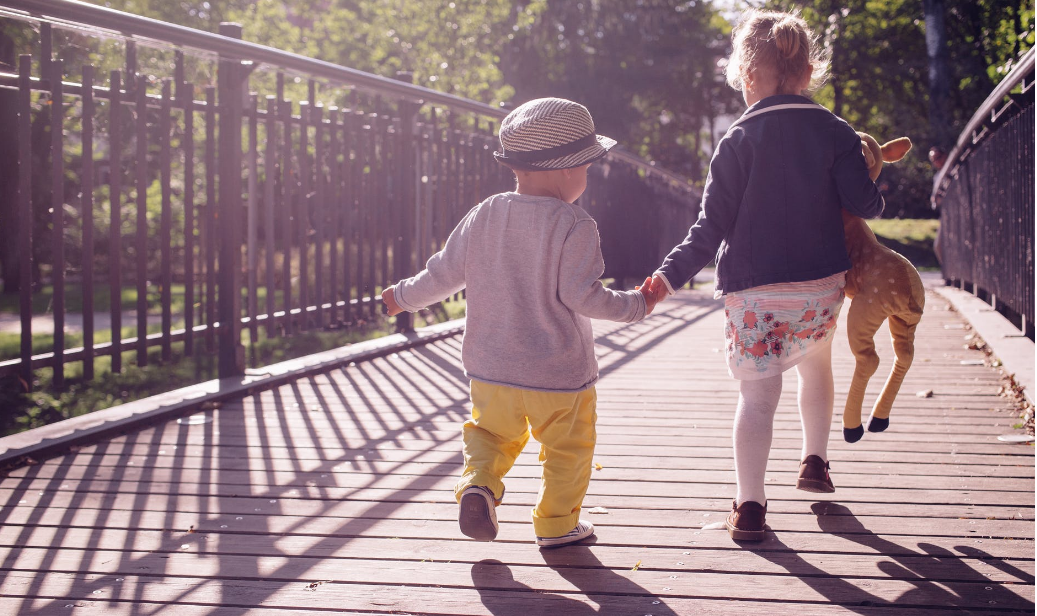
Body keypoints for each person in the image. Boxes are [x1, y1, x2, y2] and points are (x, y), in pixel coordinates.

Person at [645, 9, 884, 541]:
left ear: (750, 75)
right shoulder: (835, 131)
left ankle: (750, 506)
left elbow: (709, 229)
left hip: (754, 293)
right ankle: (815, 462)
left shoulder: (737, 140)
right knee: (815, 362)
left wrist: (666, 278)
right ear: (807, 71)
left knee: (757, 397)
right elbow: (866, 203)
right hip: (819, 286)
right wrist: (870, 168)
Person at [381, 97, 658, 548]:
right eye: (587, 167)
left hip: (491, 369)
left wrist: (401, 296)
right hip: (560, 376)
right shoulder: (575, 224)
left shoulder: (485, 213)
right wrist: (637, 305)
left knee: (489, 435)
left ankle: (479, 486)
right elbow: (582, 296)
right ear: (568, 170)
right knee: (567, 451)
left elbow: (443, 274)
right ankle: (556, 524)